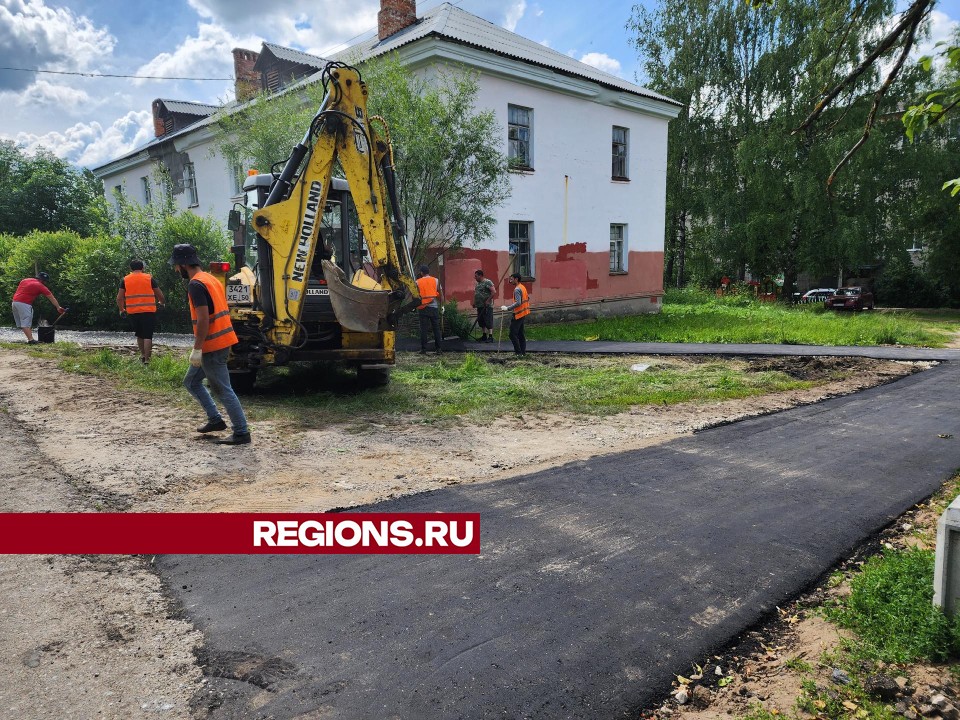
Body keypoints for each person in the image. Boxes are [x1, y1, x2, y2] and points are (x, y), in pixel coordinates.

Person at [169, 243, 251, 445]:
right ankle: (215, 420)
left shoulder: (196, 285)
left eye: (176, 265)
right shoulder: (210, 279)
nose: (175, 269)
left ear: (183, 264)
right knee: (191, 382)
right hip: (221, 341)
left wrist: (197, 348)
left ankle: (241, 432)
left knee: (223, 389)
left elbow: (204, 319)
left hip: (212, 345)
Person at [116, 259, 165, 364]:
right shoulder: (149, 278)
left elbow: (119, 298)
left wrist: (121, 310)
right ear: (142, 268)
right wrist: (161, 302)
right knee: (148, 335)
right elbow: (159, 294)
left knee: (139, 334)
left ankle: (142, 355)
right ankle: (147, 360)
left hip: (133, 312)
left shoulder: (125, 280)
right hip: (148, 311)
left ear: (130, 269)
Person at [11, 272, 65, 343]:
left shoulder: (25, 280)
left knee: (23, 323)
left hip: (15, 302)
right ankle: (31, 340)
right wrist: (58, 307)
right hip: (24, 304)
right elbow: (51, 298)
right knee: (26, 322)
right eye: (45, 281)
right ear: (43, 281)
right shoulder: (41, 286)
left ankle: (30, 338)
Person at [415, 264, 444, 354]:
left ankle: (424, 349)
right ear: (428, 272)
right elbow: (441, 294)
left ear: (421, 273)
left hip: (423, 308)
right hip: (434, 307)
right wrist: (442, 306)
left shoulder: (417, 282)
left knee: (424, 329)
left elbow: (416, 296)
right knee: (436, 329)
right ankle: (438, 349)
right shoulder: (436, 280)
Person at [500, 272, 530, 356]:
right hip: (523, 313)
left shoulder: (517, 289)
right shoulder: (522, 287)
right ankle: (523, 353)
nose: (510, 281)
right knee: (520, 334)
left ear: (516, 279)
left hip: (518, 314)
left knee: (512, 334)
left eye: (511, 279)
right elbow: (527, 298)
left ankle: (518, 353)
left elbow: (518, 303)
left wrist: (507, 308)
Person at [472, 269, 495, 342]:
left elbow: (493, 291)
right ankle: (484, 335)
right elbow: (477, 294)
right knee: (481, 321)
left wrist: (488, 301)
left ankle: (490, 336)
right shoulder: (477, 284)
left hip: (487, 306)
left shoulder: (487, 282)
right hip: (479, 306)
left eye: (476, 276)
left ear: (480, 276)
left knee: (488, 320)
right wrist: (475, 303)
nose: (475, 278)